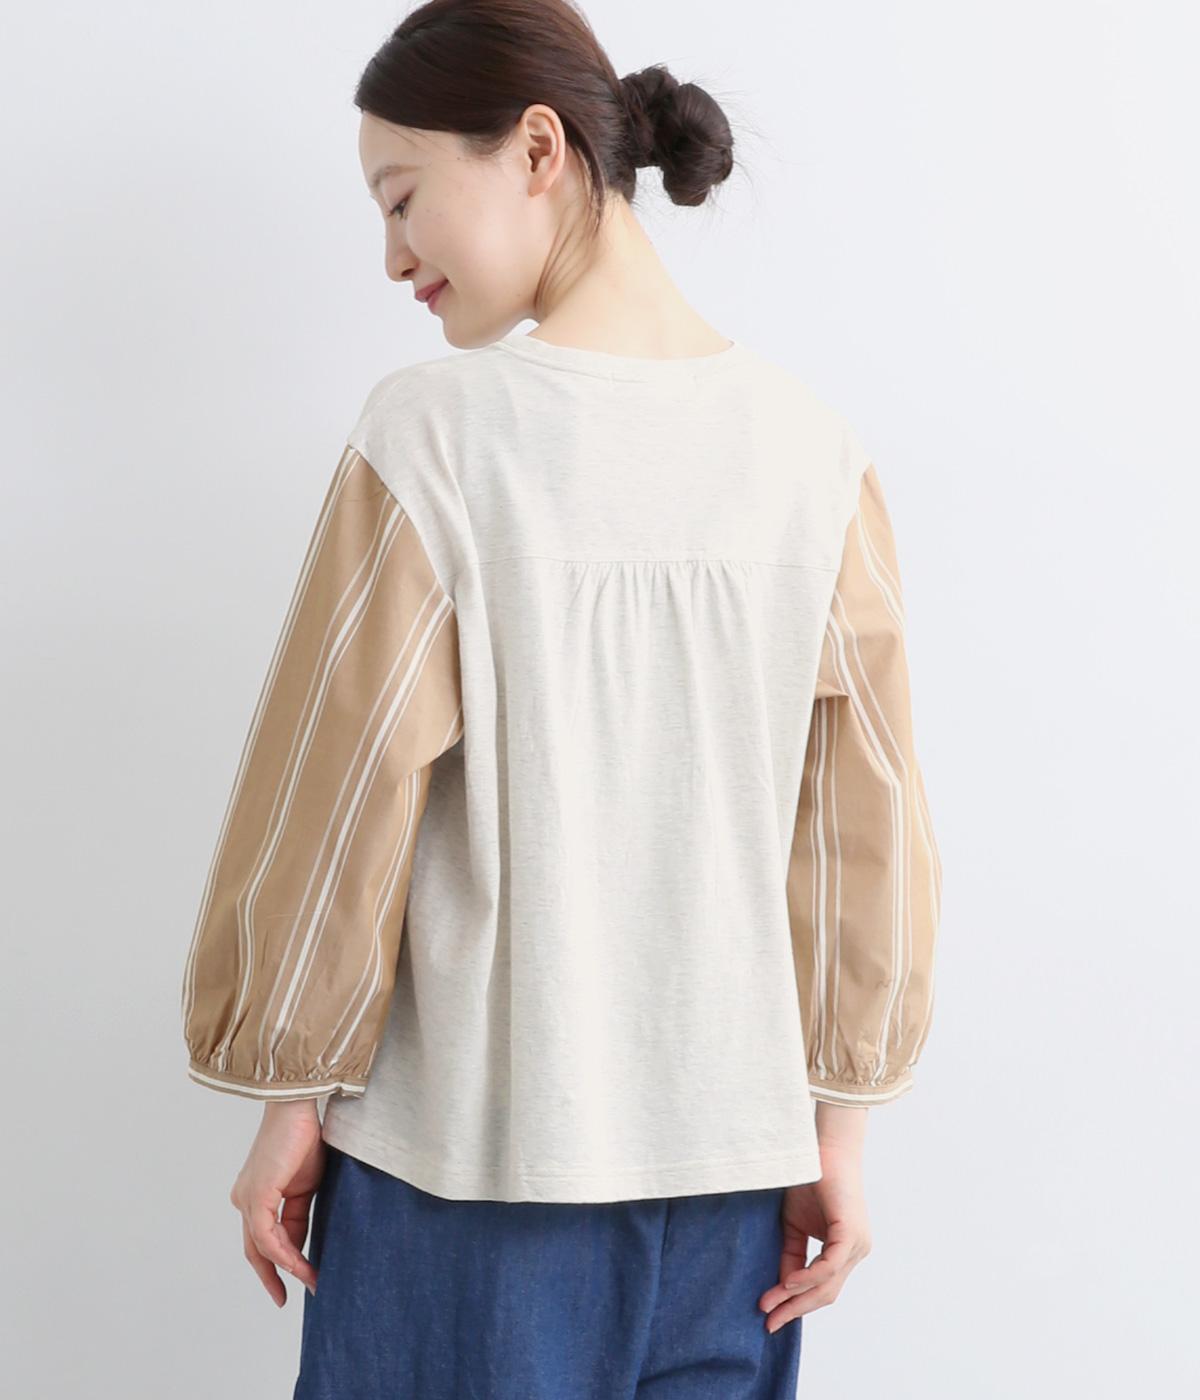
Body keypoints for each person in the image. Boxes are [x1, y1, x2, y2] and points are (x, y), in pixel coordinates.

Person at [179, 1, 943, 1395]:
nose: (392, 255)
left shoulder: (434, 436)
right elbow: (862, 832)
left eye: (401, 197)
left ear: (539, 149)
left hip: (466, 1180)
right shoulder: (814, 456)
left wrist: (291, 1093)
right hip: (736, 1191)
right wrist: (838, 1132)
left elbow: (340, 797)